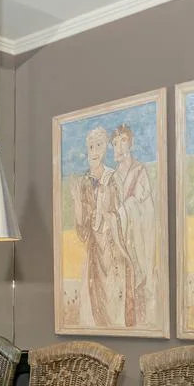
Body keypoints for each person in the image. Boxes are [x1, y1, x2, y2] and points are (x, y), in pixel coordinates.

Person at [71, 126, 127, 327]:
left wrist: (105, 217)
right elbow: (83, 232)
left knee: (111, 301)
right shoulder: (84, 182)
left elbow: (121, 215)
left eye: (98, 146)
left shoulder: (112, 178)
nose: (94, 151)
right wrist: (77, 203)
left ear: (104, 149)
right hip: (94, 251)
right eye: (91, 147)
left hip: (111, 250)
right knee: (94, 300)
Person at [113, 123, 157, 328]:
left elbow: (143, 205)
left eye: (123, 141)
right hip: (122, 238)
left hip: (139, 236)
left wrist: (124, 211)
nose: (119, 147)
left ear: (130, 143)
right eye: (115, 143)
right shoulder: (114, 177)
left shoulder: (140, 171)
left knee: (141, 275)